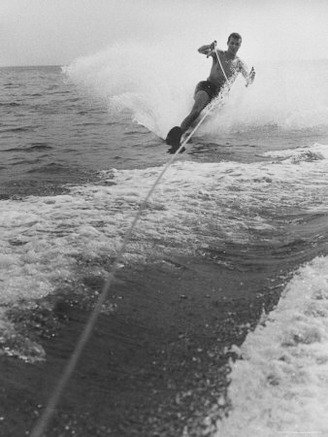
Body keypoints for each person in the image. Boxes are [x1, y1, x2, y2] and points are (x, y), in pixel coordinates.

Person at [166, 33, 256, 153]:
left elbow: (248, 80)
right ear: (228, 43)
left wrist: (251, 77)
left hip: (220, 96)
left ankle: (189, 133)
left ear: (240, 45)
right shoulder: (219, 54)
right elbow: (200, 50)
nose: (234, 46)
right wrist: (209, 46)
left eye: (237, 44)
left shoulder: (239, 64)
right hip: (207, 87)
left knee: (203, 119)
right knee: (197, 110)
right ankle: (178, 136)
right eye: (232, 43)